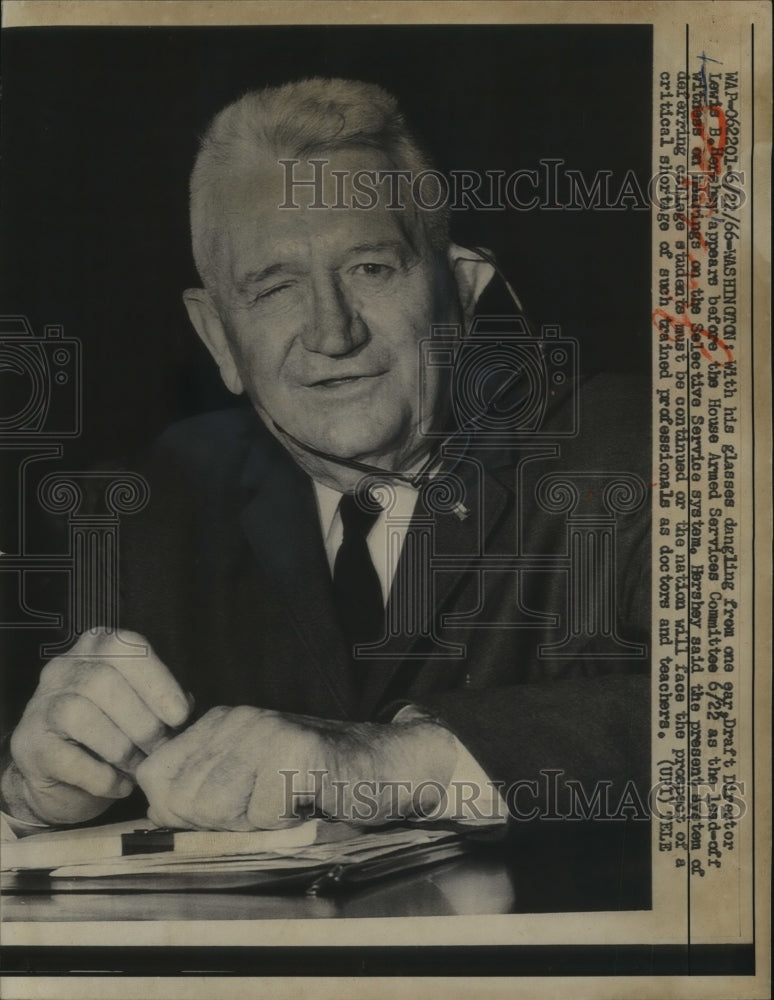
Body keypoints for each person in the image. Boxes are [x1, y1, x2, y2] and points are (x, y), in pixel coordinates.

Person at [1, 80, 650, 852]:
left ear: (465, 294)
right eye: (274, 287)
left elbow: (736, 717)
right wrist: (35, 801)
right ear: (216, 338)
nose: (330, 332)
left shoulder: (629, 447)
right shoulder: (151, 509)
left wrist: (395, 763)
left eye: (371, 268)